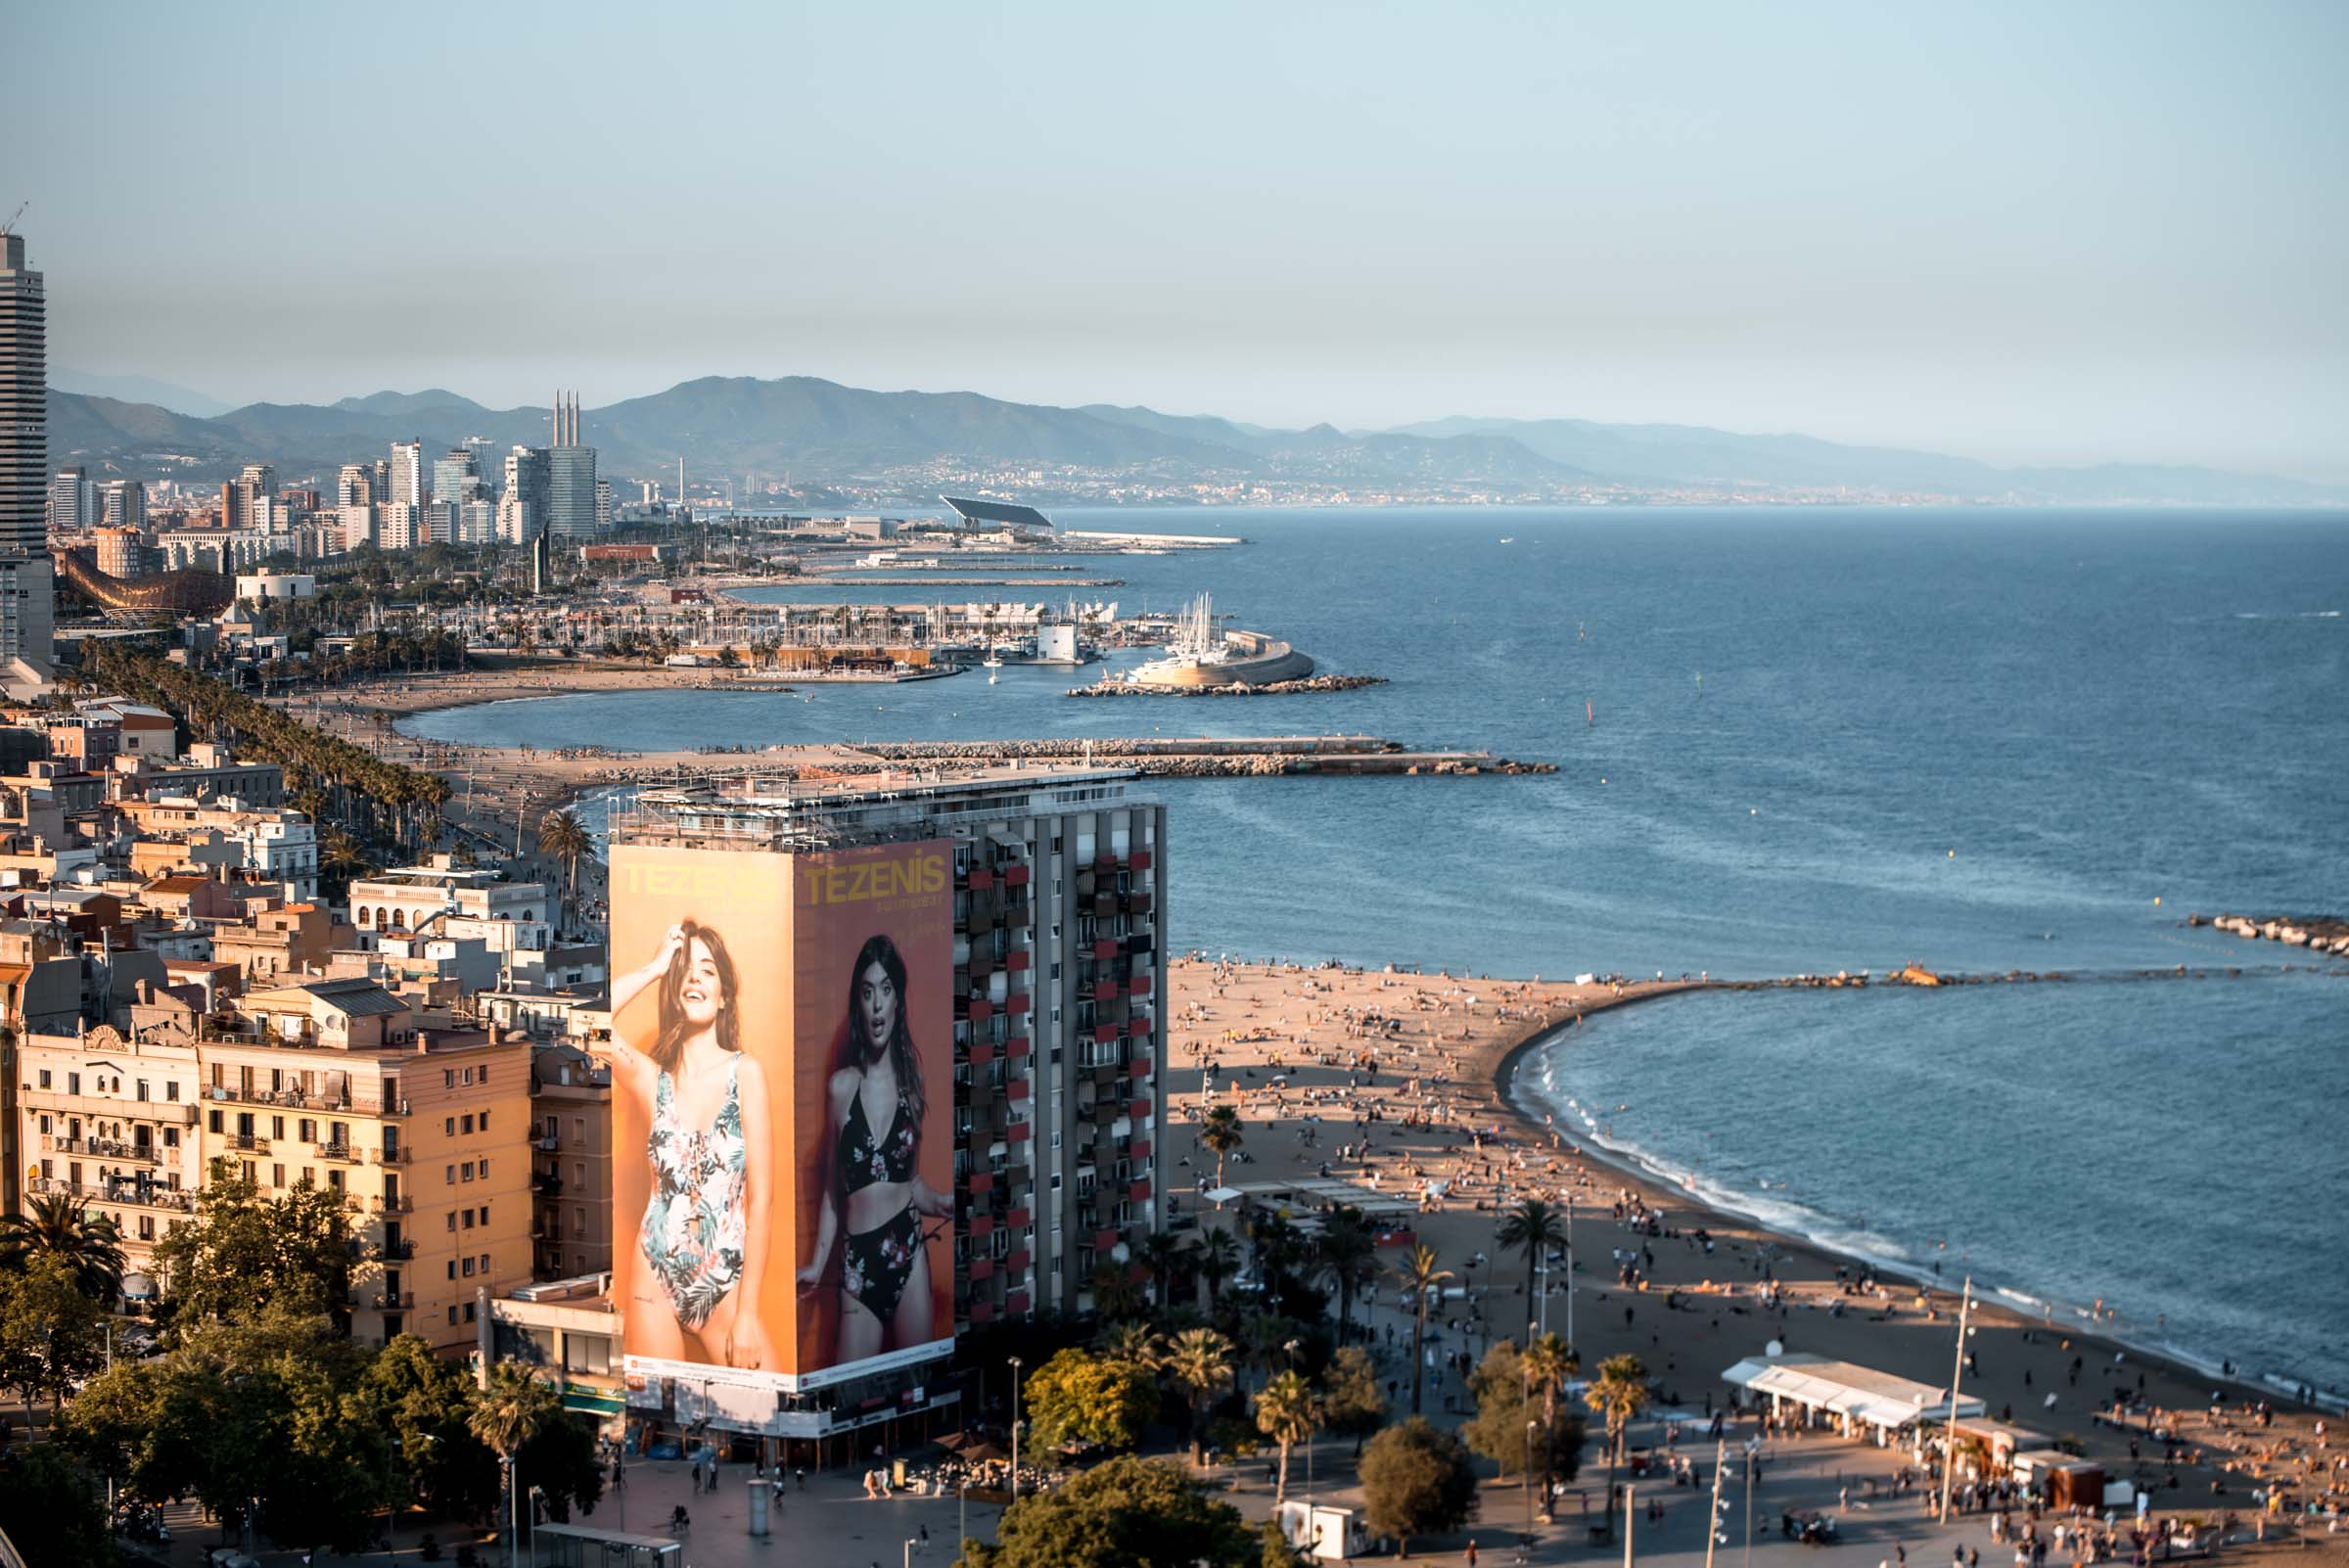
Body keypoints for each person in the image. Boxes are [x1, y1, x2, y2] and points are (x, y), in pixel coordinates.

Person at [602, 921, 777, 1370]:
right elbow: (586, 1025)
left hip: (723, 1282)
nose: (695, 977)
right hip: (653, 1274)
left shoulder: (746, 1075)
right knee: (662, 1418)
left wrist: (748, 1315)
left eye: (708, 970)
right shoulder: (651, 1080)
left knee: (765, 1417)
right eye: (686, 970)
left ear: (724, 996)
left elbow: (762, 1201)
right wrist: (655, 967)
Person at [800, 935, 953, 1363]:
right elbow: (834, 1186)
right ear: (859, 1004)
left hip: (909, 1249)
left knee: (919, 1381)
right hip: (858, 1260)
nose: (878, 1005)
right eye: (868, 993)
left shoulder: (912, 1086)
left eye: (886, 990)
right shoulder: (841, 1087)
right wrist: (817, 1264)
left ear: (898, 1000)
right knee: (851, 1383)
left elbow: (910, 1181)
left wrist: (937, 1201)